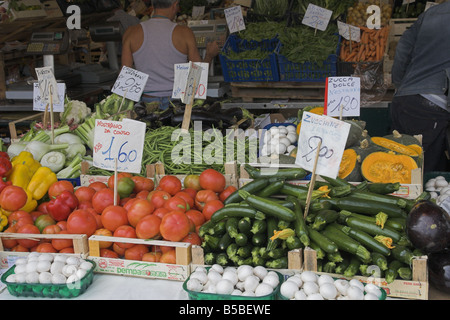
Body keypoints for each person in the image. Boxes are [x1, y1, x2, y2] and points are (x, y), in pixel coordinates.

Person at [121, 0, 220, 110]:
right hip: (177, 104)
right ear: (175, 5)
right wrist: (209, 55)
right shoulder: (184, 33)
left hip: (146, 104)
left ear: (153, 5)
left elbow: (126, 77)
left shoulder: (131, 32)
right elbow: (197, 77)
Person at [390, 2, 450, 173]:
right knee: (423, 175)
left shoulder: (432, 13)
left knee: (402, 170)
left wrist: (403, 86)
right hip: (432, 107)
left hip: (405, 103)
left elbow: (403, 49)